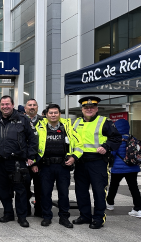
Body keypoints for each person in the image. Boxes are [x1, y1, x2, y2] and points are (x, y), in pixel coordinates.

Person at [0, 95, 38, 227]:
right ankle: (8, 213)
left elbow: (33, 140)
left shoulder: (23, 120)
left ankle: (22, 216)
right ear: (0, 105)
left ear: (13, 104)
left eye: (7, 104)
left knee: (20, 190)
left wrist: (31, 156)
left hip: (17, 162)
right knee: (3, 190)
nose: (5, 106)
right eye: (2, 104)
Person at [72, 96, 122, 229]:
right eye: (86, 107)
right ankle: (85, 216)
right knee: (81, 191)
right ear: (82, 109)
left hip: (98, 162)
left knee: (99, 191)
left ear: (96, 108)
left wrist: (106, 147)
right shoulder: (76, 122)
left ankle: (99, 218)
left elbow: (116, 138)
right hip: (81, 162)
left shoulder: (104, 121)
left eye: (92, 107)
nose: (89, 109)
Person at [34, 104, 83, 228]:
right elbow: (32, 145)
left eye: (56, 112)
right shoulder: (39, 127)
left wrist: (74, 157)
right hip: (45, 166)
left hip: (63, 165)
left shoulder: (68, 127)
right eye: (51, 113)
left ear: (59, 114)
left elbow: (79, 144)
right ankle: (46, 217)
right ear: (46, 114)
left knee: (63, 193)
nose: (53, 115)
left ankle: (64, 217)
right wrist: (34, 162)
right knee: (45, 193)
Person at [106, 118, 141, 217]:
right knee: (134, 187)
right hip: (133, 167)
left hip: (118, 168)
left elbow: (112, 153)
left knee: (113, 186)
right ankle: (138, 208)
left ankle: (110, 203)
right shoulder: (132, 138)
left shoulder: (116, 140)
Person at [24, 99, 44, 217]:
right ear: (25, 108)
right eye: (29, 105)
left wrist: (35, 161)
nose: (32, 107)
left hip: (40, 161)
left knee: (40, 188)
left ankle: (39, 210)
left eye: (34, 105)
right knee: (24, 188)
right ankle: (25, 210)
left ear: (37, 107)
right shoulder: (20, 121)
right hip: (25, 160)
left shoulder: (44, 122)